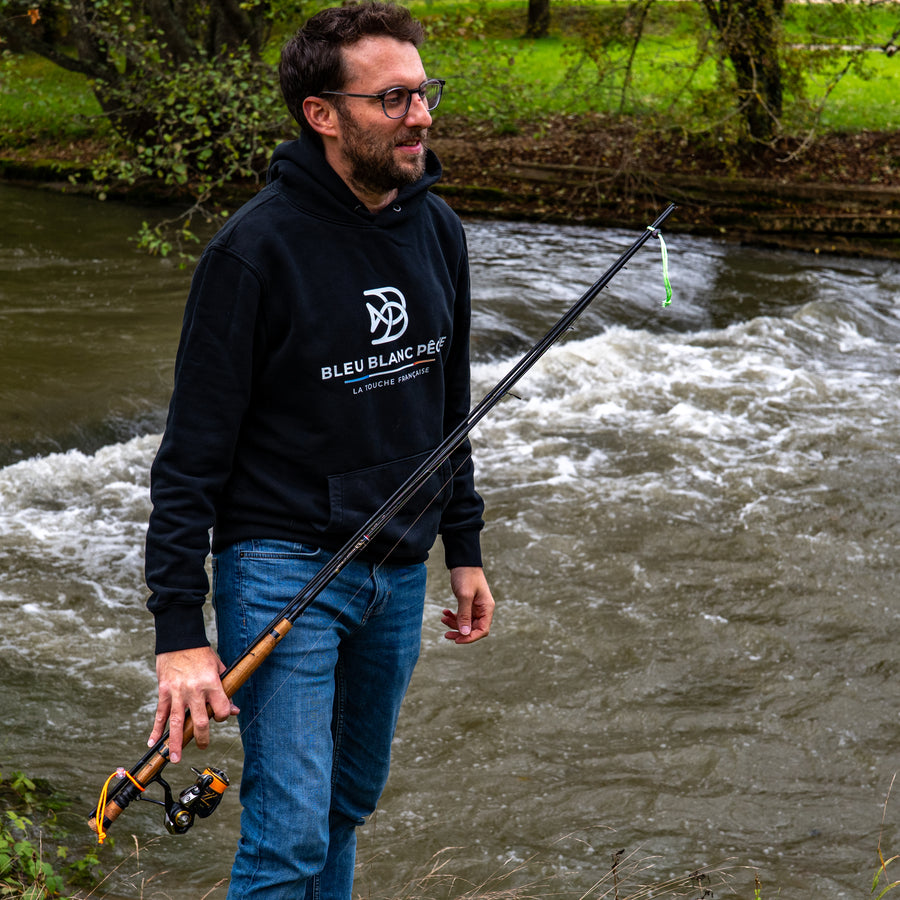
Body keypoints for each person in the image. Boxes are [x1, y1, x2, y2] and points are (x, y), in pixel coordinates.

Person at [142, 2, 494, 897]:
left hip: (398, 566)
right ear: (323, 114)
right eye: (392, 99)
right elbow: (189, 458)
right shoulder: (252, 252)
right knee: (289, 832)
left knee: (345, 805)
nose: (420, 115)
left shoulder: (437, 229)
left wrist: (466, 545)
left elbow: (445, 405)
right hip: (281, 565)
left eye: (424, 93)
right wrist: (181, 635)